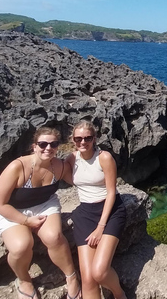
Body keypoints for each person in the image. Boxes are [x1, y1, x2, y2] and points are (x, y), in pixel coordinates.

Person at [0, 127, 81, 299]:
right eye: (43, 144)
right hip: (13, 209)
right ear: (34, 146)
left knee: (53, 237)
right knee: (21, 246)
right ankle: (24, 279)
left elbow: (80, 181)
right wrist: (26, 221)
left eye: (53, 144)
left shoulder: (59, 167)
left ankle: (71, 277)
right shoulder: (17, 167)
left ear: (58, 147)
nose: (48, 148)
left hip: (44, 204)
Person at [64, 120, 127, 299]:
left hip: (110, 211)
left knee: (99, 272)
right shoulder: (71, 158)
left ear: (94, 138)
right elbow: (64, 175)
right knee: (88, 279)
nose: (83, 142)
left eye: (87, 138)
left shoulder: (104, 157)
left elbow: (111, 192)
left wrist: (101, 227)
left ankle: (119, 294)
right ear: (73, 140)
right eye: (78, 139)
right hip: (85, 214)